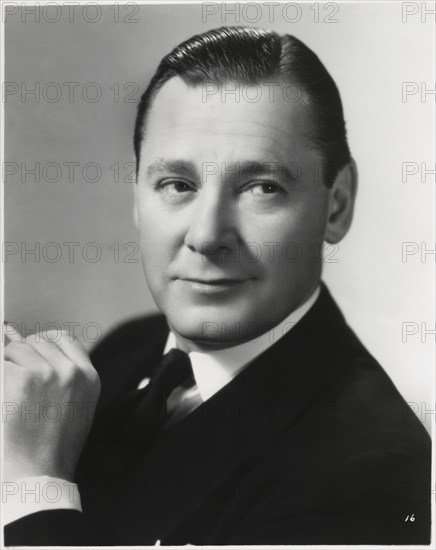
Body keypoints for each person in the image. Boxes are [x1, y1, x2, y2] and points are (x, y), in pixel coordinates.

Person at [3, 26, 431, 545]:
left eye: (261, 188)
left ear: (336, 204)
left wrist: (32, 487)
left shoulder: (372, 471)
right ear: (137, 198)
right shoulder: (126, 351)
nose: (207, 236)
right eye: (177, 185)